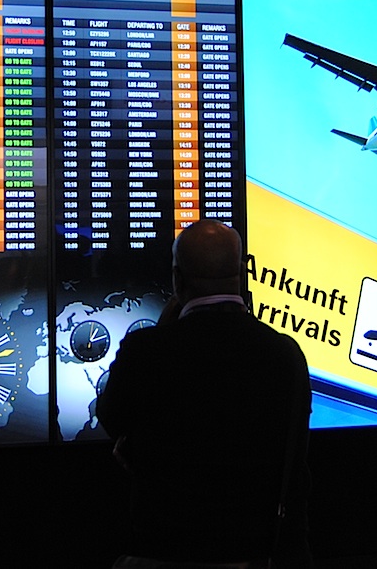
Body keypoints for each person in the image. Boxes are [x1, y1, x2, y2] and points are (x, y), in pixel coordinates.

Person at [96, 219, 313, 567]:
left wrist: (165, 328)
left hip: (162, 549)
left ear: (177, 279)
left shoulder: (146, 350)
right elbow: (296, 461)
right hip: (254, 553)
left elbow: (110, 418)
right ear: (242, 273)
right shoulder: (285, 355)